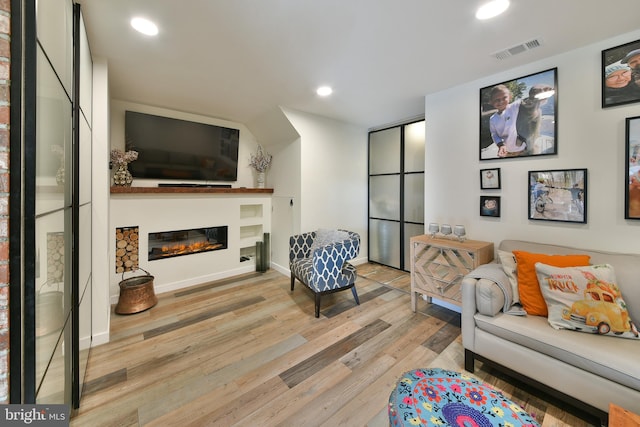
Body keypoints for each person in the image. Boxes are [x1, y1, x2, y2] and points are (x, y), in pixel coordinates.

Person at [488, 85, 526, 157]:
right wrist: (500, 145)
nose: (501, 101)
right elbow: (494, 134)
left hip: (522, 149)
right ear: (491, 102)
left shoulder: (514, 107)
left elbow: (525, 101)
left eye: (504, 97)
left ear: (510, 97)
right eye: (497, 100)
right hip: (506, 152)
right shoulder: (492, 119)